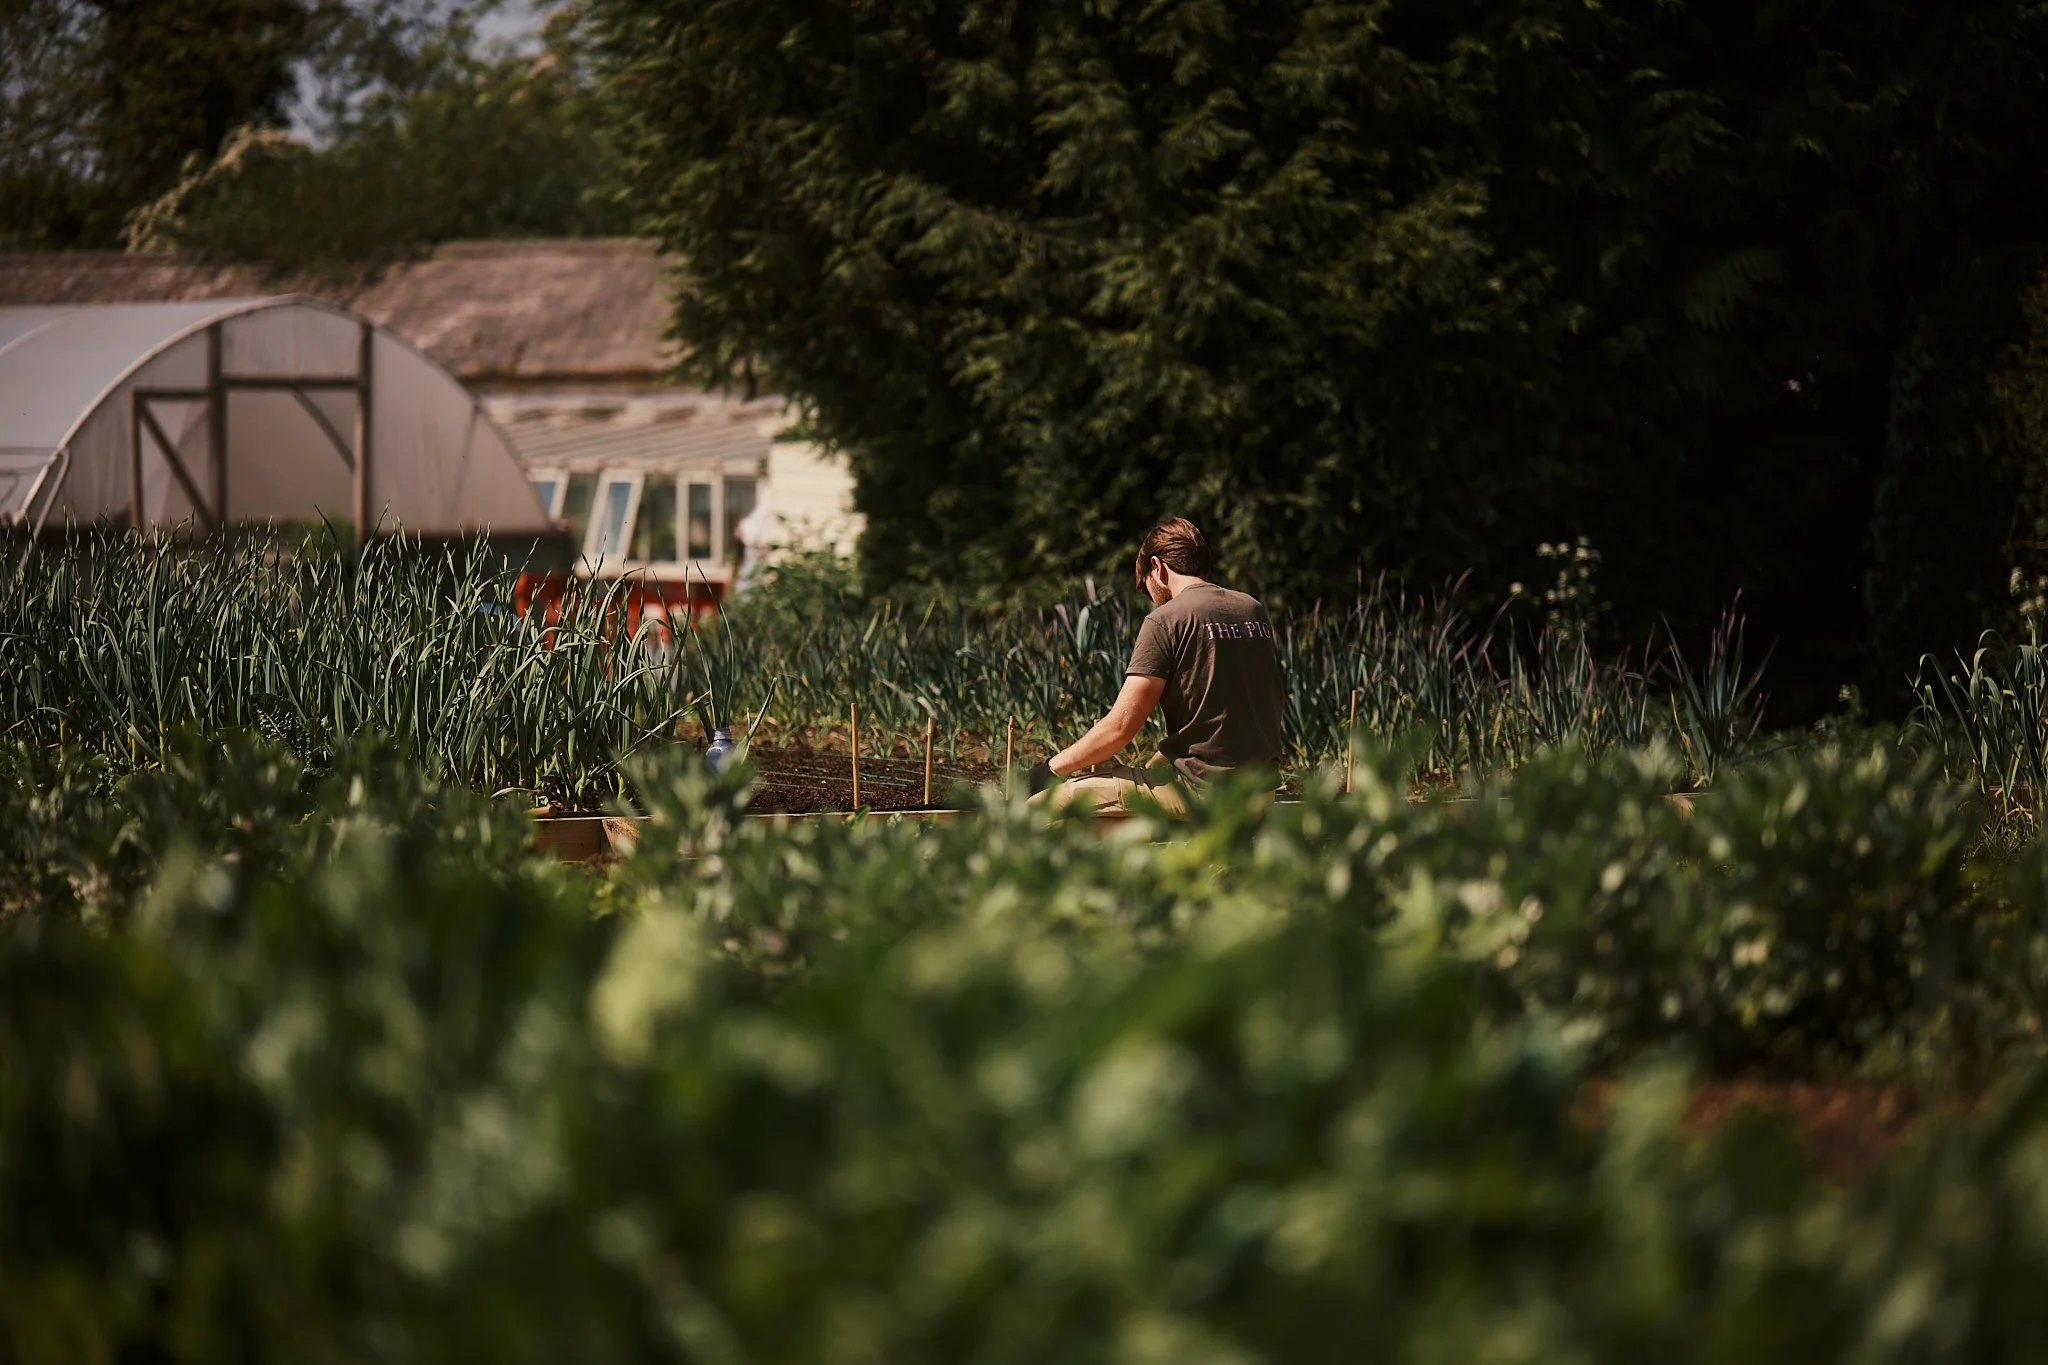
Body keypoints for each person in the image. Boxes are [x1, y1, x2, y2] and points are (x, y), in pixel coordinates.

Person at [1029, 516, 1285, 814]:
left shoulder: (1166, 620)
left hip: (1206, 795)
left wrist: (1047, 771)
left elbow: (1120, 728)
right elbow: (1228, 716)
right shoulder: (1252, 610)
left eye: (1146, 586)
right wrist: (1156, 764)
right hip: (1261, 794)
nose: (1152, 599)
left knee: (1044, 807)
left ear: (1158, 568)